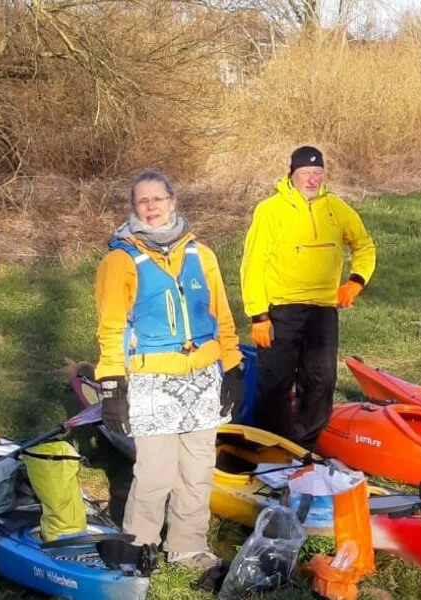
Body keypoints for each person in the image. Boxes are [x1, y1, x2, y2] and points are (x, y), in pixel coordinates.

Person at [92, 169, 244, 572]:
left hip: (203, 378)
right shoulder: (120, 260)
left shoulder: (202, 255)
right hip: (152, 380)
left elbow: (222, 316)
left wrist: (233, 367)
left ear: (173, 201)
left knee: (197, 472)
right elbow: (110, 327)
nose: (152, 207)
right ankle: (139, 548)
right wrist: (112, 385)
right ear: (134, 208)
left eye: (158, 199)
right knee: (155, 473)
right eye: (143, 201)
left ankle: (187, 548)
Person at [241, 146, 377, 447]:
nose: (312, 179)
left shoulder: (337, 209)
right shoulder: (270, 210)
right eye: (306, 173)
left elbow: (364, 245)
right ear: (292, 175)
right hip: (281, 309)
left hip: (322, 311)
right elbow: (253, 264)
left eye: (318, 173)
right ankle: (268, 448)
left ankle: (304, 446)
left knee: (321, 382)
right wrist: (259, 315)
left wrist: (356, 280)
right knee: (275, 383)